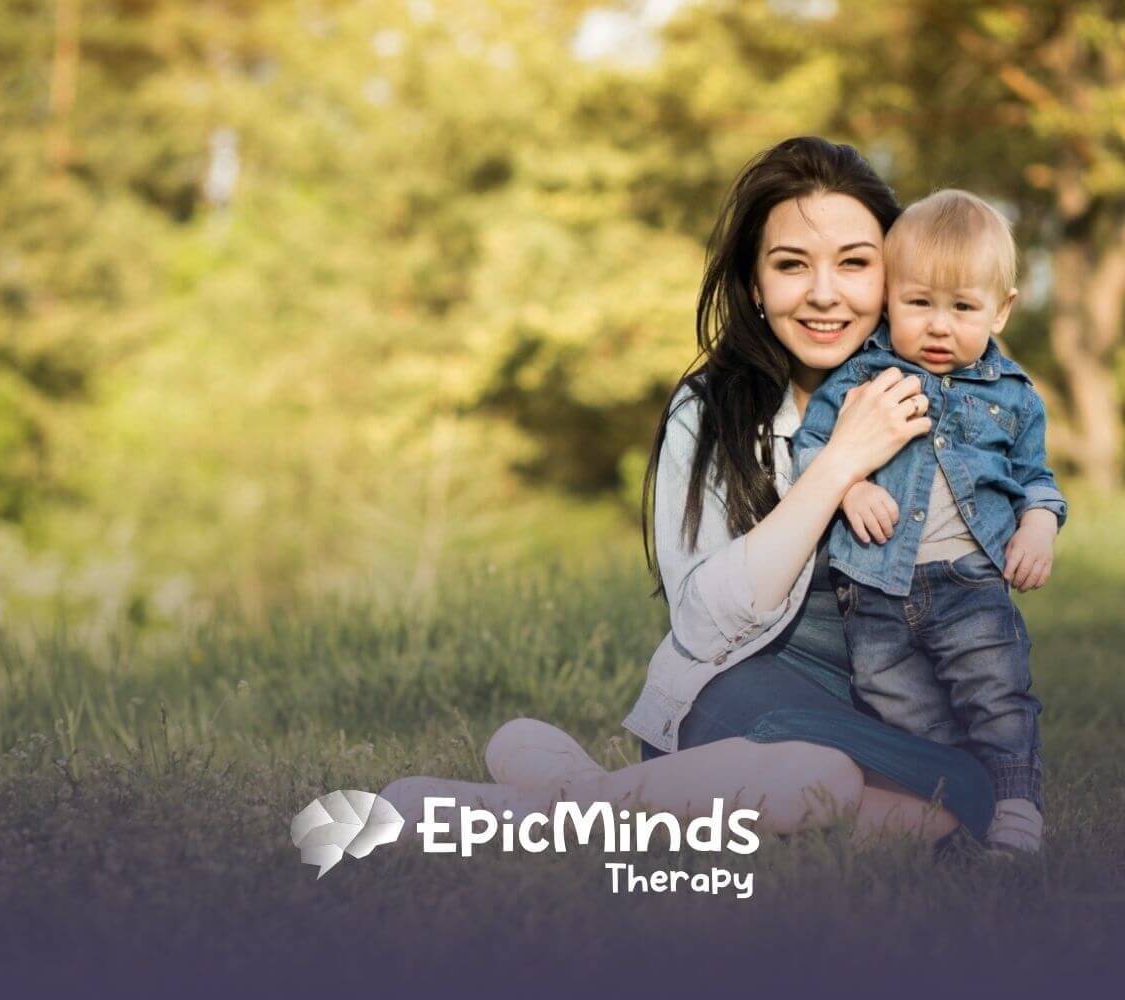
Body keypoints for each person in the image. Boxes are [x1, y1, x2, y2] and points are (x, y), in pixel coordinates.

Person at [381, 137, 995, 846]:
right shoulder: (711, 412)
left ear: (893, 275)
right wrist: (836, 466)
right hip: (741, 691)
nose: (824, 293)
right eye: (791, 265)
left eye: (855, 263)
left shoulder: (946, 401)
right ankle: (520, 822)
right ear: (756, 284)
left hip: (885, 715)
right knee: (816, 781)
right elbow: (702, 628)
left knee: (948, 817)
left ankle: (575, 794)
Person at [793, 190, 1067, 853]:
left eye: (963, 308)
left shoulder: (1014, 398)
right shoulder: (861, 378)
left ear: (1000, 309)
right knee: (899, 706)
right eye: (919, 304)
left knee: (994, 691)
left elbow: (1038, 481)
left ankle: (1014, 804)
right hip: (873, 590)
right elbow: (813, 449)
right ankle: (954, 805)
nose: (939, 326)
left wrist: (1038, 528)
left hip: (971, 581)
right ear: (890, 299)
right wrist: (850, 488)